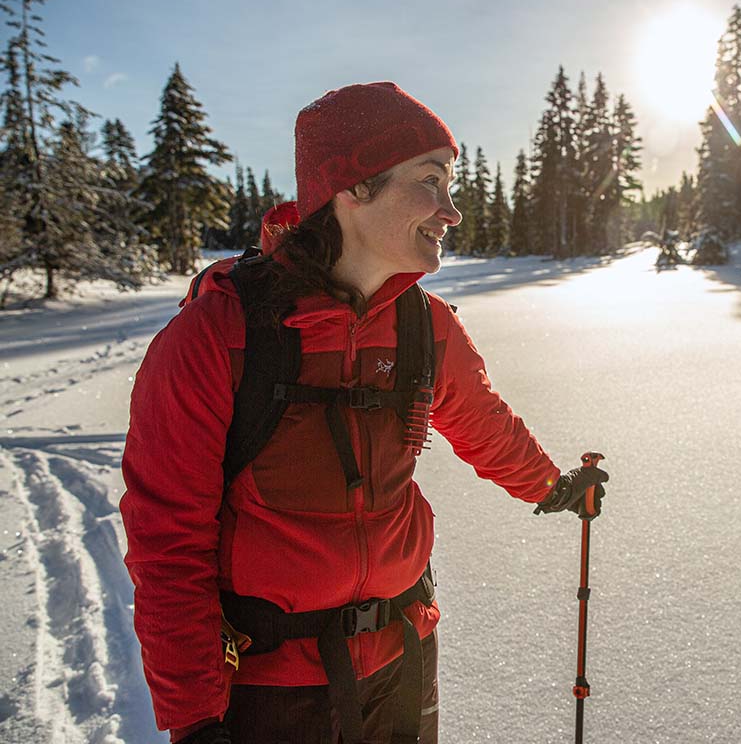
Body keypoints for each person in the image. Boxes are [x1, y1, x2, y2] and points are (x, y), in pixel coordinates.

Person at [121, 81, 609, 744]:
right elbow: (167, 545)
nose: (451, 211)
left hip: (402, 656)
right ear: (352, 188)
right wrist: (195, 722)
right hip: (272, 689)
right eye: (430, 181)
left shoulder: (425, 326)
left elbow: (481, 421)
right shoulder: (217, 334)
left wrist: (553, 488)